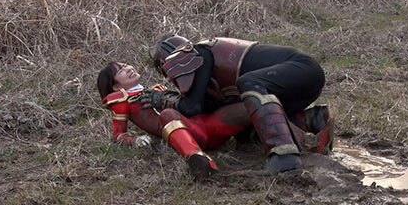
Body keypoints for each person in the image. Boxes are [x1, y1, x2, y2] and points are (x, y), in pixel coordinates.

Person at [142, 34, 333, 174]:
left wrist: (163, 99)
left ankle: (285, 157)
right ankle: (311, 120)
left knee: (248, 82)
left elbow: (192, 107)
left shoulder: (201, 53)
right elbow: (208, 107)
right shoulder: (205, 59)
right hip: (301, 79)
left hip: (302, 70)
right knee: (246, 126)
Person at [97, 61, 252, 178]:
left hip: (206, 124)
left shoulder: (158, 89)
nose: (128, 68)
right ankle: (197, 158)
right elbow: (118, 134)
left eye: (126, 65)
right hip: (191, 133)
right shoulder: (121, 100)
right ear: (115, 86)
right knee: (168, 114)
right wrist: (134, 139)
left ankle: (258, 138)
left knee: (247, 106)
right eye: (121, 70)